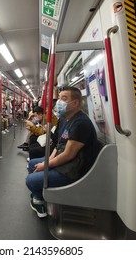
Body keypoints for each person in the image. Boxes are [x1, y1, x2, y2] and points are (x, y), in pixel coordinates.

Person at [25, 86, 100, 218]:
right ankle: (40, 195)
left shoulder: (80, 123)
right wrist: (47, 161)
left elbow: (68, 154)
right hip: (65, 162)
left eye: (64, 99)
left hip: (73, 169)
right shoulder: (65, 119)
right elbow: (58, 145)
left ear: (76, 103)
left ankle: (38, 198)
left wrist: (47, 165)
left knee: (30, 180)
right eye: (59, 98)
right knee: (32, 164)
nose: (59, 102)